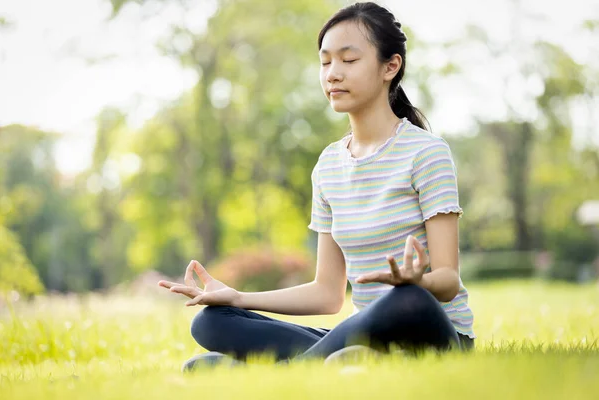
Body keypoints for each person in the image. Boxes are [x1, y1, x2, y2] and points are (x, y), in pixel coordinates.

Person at [158, 1, 475, 370]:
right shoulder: (328, 166)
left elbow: (449, 281)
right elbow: (327, 294)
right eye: (325, 62)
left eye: (348, 60)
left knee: (405, 300)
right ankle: (345, 360)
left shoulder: (427, 153)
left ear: (390, 66)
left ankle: (281, 373)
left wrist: (416, 281)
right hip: (366, 330)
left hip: (428, 328)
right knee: (212, 321)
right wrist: (238, 297)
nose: (333, 74)